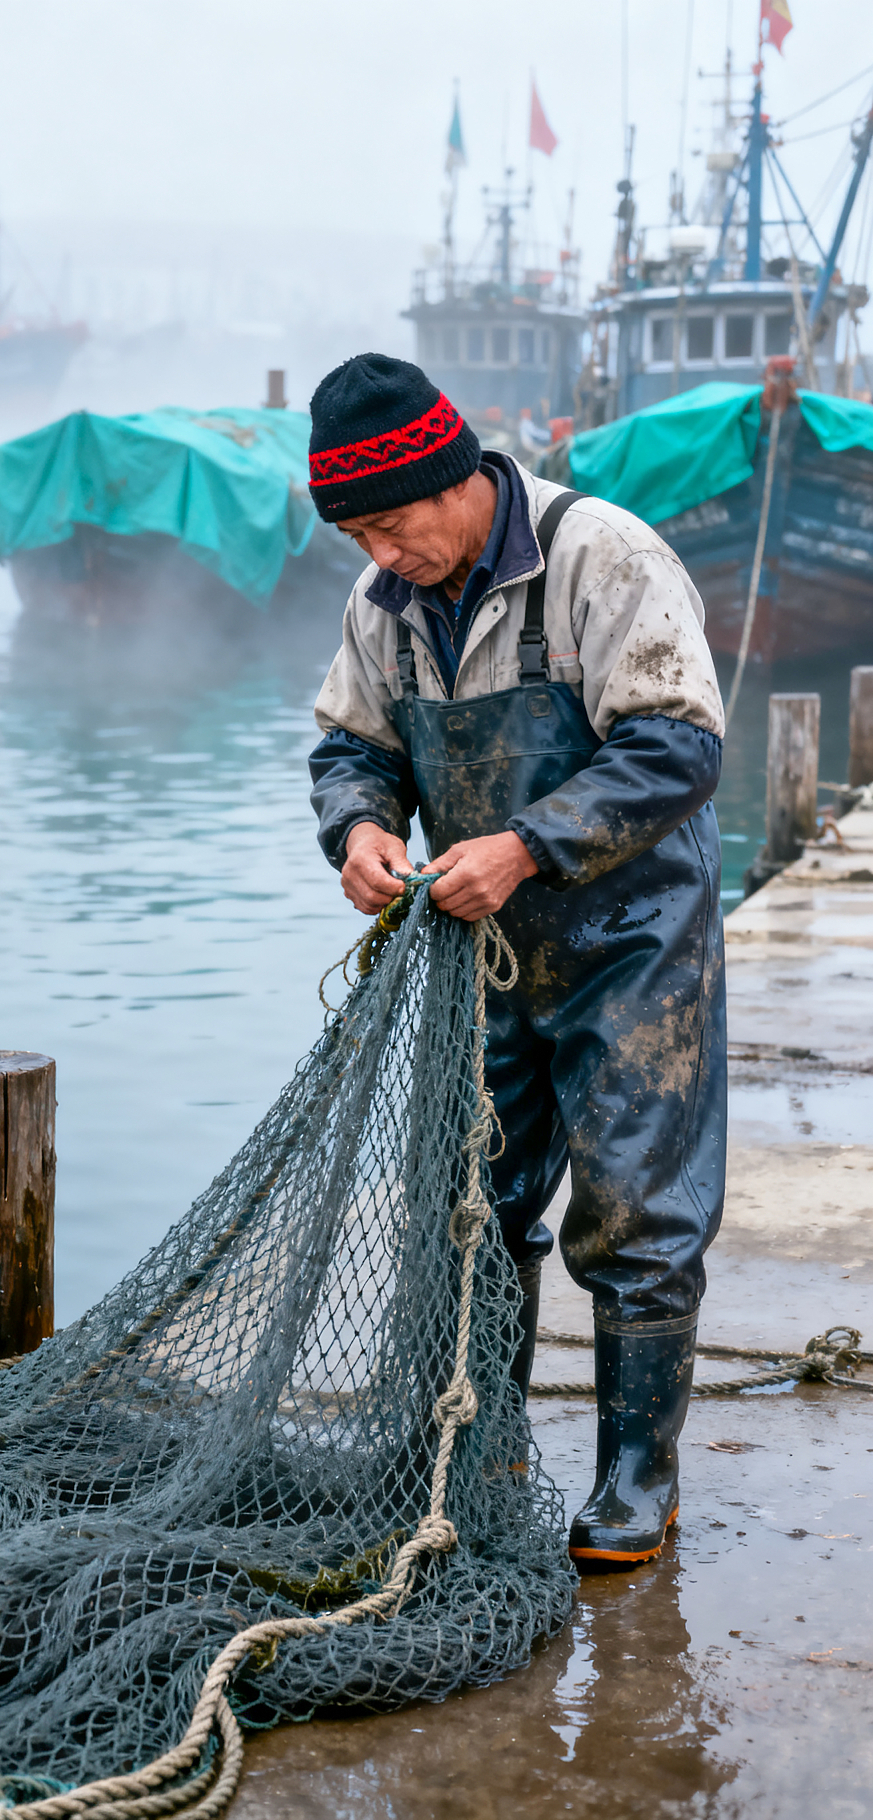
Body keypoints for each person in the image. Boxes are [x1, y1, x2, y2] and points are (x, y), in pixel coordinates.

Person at [307, 353, 727, 1569]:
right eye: (357, 535)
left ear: (455, 480)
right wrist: (363, 828)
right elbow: (349, 743)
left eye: (392, 523)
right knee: (470, 1207)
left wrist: (530, 845)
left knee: (637, 1210)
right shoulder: (381, 605)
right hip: (477, 949)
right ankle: (476, 1455)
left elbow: (678, 746)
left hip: (632, 942)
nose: (381, 553)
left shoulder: (603, 555)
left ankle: (636, 1478)